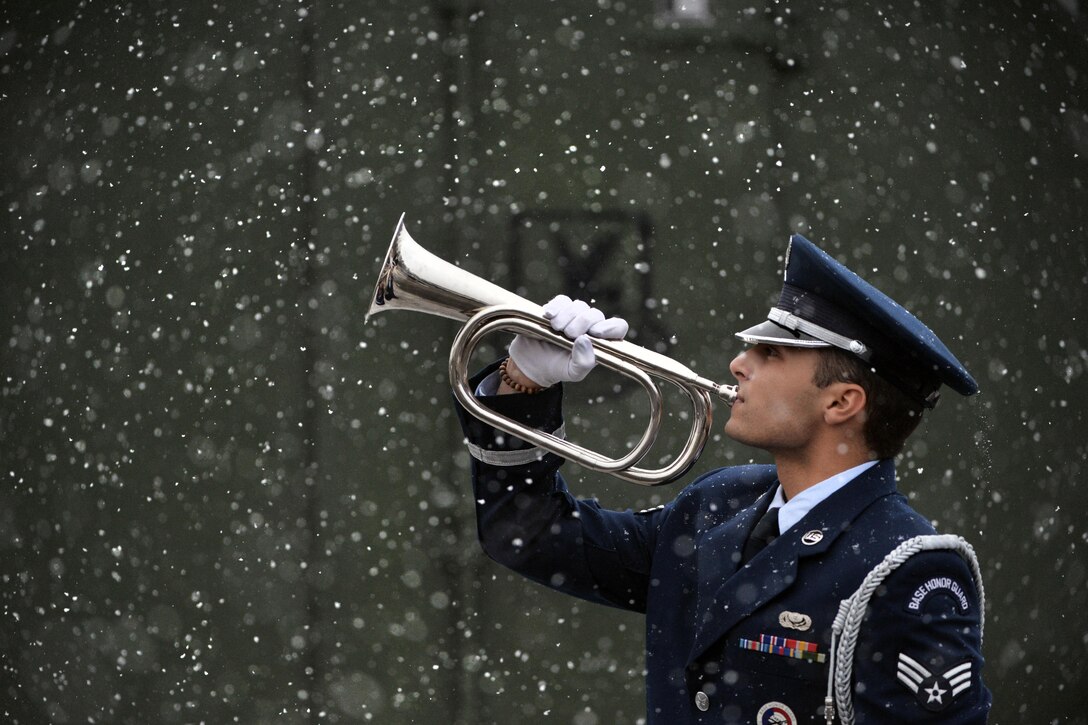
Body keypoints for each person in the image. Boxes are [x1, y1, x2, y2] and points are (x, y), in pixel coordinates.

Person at [453, 234, 991, 724]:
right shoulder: (718, 503)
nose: (738, 363)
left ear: (841, 402)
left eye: (771, 353)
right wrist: (522, 383)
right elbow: (527, 535)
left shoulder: (911, 571)